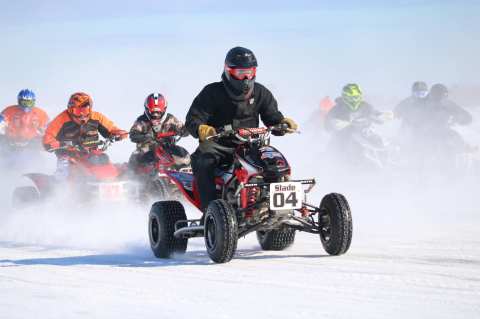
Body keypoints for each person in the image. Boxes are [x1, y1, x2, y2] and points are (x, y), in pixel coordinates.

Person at [185, 46, 298, 211]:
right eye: (240, 73)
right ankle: (210, 211)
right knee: (203, 162)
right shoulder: (212, 92)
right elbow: (193, 119)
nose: (246, 78)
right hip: (217, 145)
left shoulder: (260, 92)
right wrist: (203, 129)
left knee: (274, 162)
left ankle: (277, 204)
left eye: (249, 72)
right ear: (228, 71)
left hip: (250, 144)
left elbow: (272, 118)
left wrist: (283, 123)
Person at [42, 92, 127, 179]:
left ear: (90, 109)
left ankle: (113, 185)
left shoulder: (96, 117)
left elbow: (111, 128)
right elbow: (48, 139)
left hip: (91, 154)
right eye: (77, 111)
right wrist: (61, 144)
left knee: (107, 165)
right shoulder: (61, 120)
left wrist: (119, 133)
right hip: (69, 155)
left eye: (84, 110)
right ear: (70, 110)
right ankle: (57, 190)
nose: (82, 114)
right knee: (64, 173)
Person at [324, 83, 391, 167]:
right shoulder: (337, 109)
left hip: (364, 132)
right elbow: (327, 124)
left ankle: (387, 161)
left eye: (356, 97)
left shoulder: (365, 106)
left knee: (380, 141)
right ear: (345, 97)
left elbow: (376, 114)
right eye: (350, 98)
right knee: (334, 149)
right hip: (344, 135)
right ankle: (329, 167)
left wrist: (381, 116)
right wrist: (333, 124)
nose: (354, 100)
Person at [129, 93, 190, 172]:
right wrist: (145, 136)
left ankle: (186, 173)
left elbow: (183, 129)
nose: (156, 115)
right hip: (147, 151)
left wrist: (184, 130)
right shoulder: (142, 121)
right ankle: (142, 178)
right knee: (139, 160)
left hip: (167, 149)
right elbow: (133, 134)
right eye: (153, 112)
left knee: (183, 155)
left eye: (158, 112)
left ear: (164, 110)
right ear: (147, 110)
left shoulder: (170, 119)